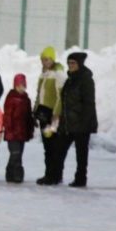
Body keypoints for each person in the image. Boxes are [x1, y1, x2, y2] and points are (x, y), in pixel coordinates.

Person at [51, 52, 98, 188]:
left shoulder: (86, 80)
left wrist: (84, 123)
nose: (70, 66)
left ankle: (81, 178)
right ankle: (55, 175)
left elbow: (89, 103)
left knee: (81, 154)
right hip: (68, 123)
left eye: (73, 63)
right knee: (59, 150)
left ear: (79, 64)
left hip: (82, 124)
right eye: (69, 63)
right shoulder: (70, 79)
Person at [34, 46, 66, 184]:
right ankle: (50, 173)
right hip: (43, 114)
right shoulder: (44, 74)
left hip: (52, 115)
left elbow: (61, 96)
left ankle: (54, 175)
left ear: (52, 59)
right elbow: (39, 95)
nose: (44, 62)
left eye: (46, 59)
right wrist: (35, 110)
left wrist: (56, 114)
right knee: (47, 145)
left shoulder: (58, 74)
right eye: (42, 60)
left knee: (53, 145)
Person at [2, 74, 33, 183]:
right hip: (12, 132)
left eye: (23, 86)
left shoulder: (27, 100)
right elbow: (7, 116)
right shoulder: (11, 99)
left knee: (18, 154)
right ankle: (17, 174)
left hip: (22, 132)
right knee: (15, 153)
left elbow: (28, 117)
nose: (21, 88)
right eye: (18, 86)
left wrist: (30, 129)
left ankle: (10, 173)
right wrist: (8, 129)